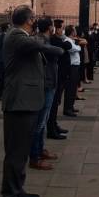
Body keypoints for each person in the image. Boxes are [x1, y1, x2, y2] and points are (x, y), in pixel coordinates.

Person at [0, 5, 63, 197]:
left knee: (22, 151)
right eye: (33, 18)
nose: (35, 21)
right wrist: (57, 48)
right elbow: (43, 47)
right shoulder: (16, 36)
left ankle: (18, 191)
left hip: (26, 102)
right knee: (16, 153)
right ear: (28, 20)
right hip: (19, 102)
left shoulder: (23, 36)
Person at [29, 17, 64, 171]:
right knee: (40, 122)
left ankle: (40, 150)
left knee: (43, 120)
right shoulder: (40, 41)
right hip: (45, 83)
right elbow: (58, 51)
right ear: (50, 27)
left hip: (49, 82)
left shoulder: (45, 40)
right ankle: (35, 157)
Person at [48, 19, 72, 139]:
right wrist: (64, 39)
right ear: (56, 29)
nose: (63, 31)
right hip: (57, 75)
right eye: (62, 28)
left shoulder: (58, 40)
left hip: (61, 75)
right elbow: (68, 46)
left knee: (56, 102)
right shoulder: (54, 40)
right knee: (54, 103)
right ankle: (51, 129)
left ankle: (54, 124)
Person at [63, 25, 82, 117]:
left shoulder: (72, 41)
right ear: (71, 32)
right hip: (71, 67)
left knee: (73, 88)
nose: (76, 31)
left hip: (75, 67)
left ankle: (71, 106)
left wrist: (77, 46)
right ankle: (67, 109)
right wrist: (78, 46)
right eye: (74, 30)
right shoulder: (67, 41)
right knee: (70, 88)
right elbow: (76, 48)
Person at [0, 23, 10, 101]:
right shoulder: (4, 36)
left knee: (2, 77)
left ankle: (1, 93)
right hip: (3, 59)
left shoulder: (2, 35)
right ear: (6, 28)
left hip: (2, 59)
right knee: (3, 77)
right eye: (9, 27)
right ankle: (0, 94)